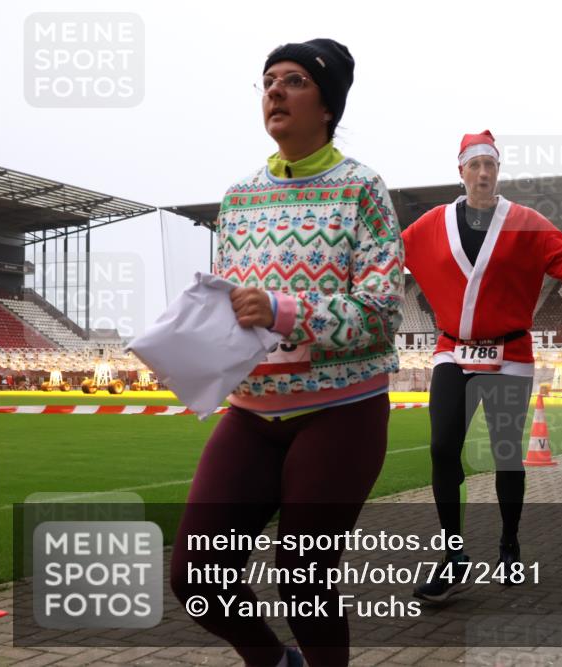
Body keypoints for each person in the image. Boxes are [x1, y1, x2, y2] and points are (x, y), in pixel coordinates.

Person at [169, 38, 403, 667]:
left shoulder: (362, 189)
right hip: (251, 412)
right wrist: (193, 349)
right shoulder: (238, 198)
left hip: (341, 411)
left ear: (327, 105)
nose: (274, 91)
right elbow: (232, 309)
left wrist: (285, 311)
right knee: (195, 578)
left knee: (304, 581)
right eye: (267, 80)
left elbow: (382, 312)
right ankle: (275, 662)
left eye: (293, 80)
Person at [403, 130, 562, 602]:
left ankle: (508, 544)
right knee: (443, 449)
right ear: (460, 170)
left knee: (505, 454)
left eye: (491, 165)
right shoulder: (430, 224)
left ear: (498, 171)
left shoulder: (526, 222)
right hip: (452, 351)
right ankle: (453, 555)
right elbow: (387, 256)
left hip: (509, 356)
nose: (483, 173)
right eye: (474, 165)